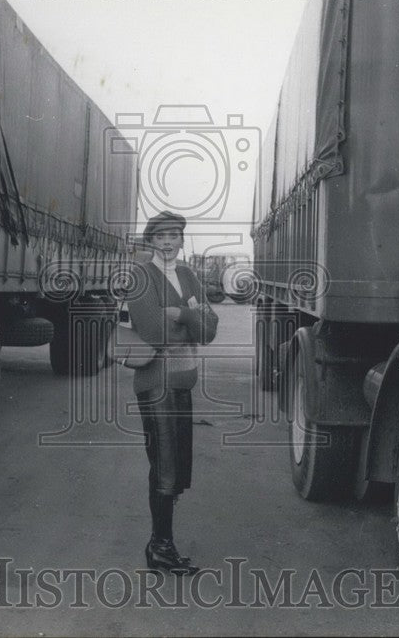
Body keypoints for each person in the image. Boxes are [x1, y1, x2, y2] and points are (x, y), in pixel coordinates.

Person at [126, 210, 218, 574]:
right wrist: (191, 317)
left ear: (182, 240)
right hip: (156, 384)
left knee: (177, 467)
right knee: (164, 466)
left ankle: (160, 543)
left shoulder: (188, 275)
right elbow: (151, 331)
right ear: (150, 240)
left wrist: (179, 314)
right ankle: (160, 547)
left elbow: (210, 331)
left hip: (181, 381)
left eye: (174, 236)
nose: (167, 242)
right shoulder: (140, 275)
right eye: (160, 236)